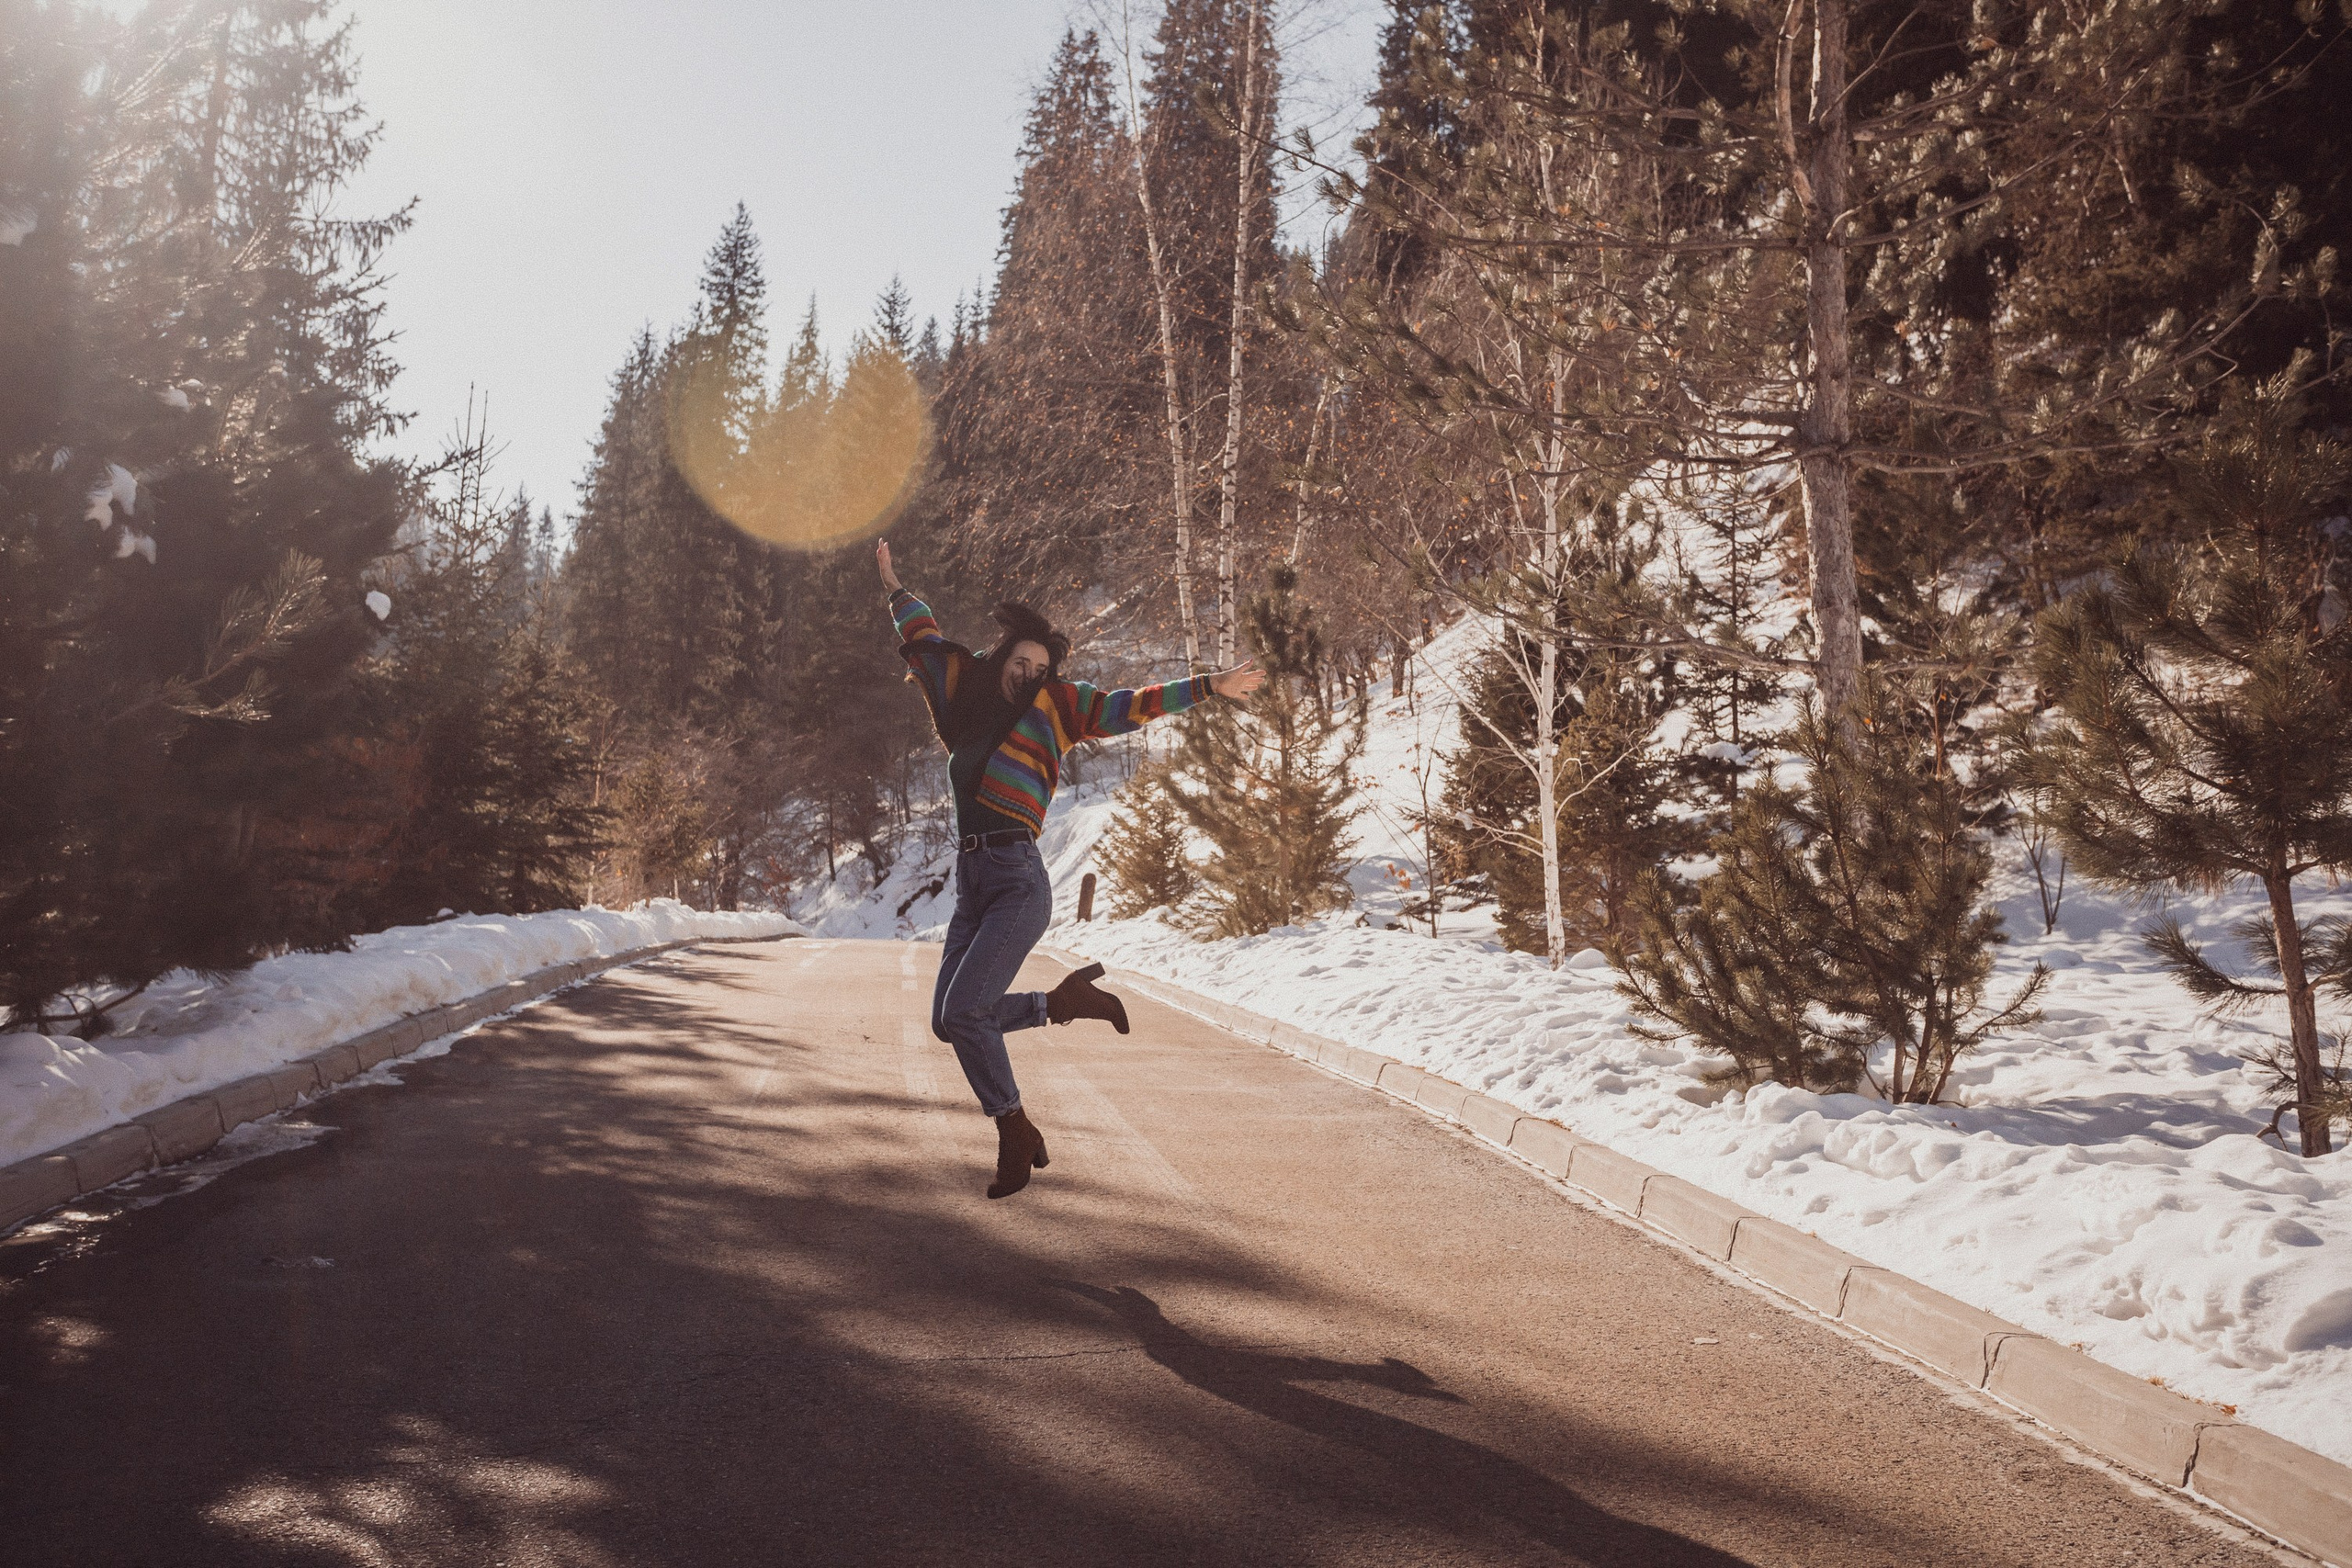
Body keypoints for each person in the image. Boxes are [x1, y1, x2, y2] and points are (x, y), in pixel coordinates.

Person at [878, 539, 1264, 1198]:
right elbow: (927, 638)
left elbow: (1133, 703)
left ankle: (1014, 1129)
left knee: (966, 1012)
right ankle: (1060, 1003)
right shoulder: (964, 702)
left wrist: (1210, 686)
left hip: (1018, 880)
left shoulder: (1059, 709)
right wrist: (893, 586)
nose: (1029, 673)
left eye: (1040, 666)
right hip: (973, 884)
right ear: (1002, 658)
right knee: (950, 1020)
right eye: (1021, 661)